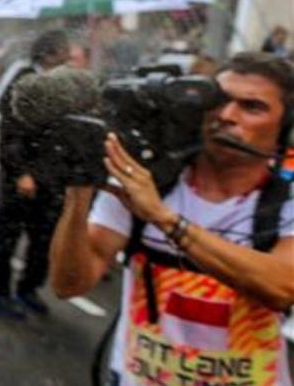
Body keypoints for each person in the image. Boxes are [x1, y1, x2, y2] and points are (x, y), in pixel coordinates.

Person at [50, 52, 294, 386]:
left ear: (285, 127)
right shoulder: (147, 182)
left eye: (251, 107)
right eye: (219, 100)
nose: (226, 115)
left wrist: (164, 220)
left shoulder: (287, 203)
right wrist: (78, 191)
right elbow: (69, 284)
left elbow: (282, 287)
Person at [0, 29, 72, 319]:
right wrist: (21, 172)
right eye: (63, 51)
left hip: (50, 176)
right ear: (48, 54)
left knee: (43, 238)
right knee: (7, 236)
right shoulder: (22, 80)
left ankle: (28, 288)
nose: (68, 56)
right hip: (20, 177)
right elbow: (11, 132)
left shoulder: (62, 84)